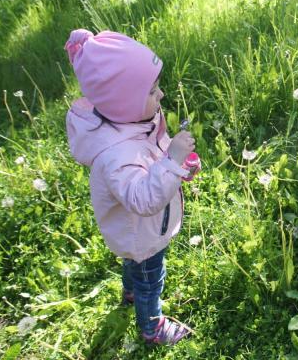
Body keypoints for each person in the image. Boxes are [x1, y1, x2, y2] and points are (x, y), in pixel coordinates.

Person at [64, 28, 199, 345]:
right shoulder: (116, 156)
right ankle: (151, 328)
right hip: (143, 231)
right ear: (124, 102)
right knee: (151, 279)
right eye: (153, 91)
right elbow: (143, 199)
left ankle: (129, 291)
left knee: (136, 268)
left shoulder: (133, 118)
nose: (161, 95)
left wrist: (177, 163)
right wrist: (172, 161)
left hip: (139, 230)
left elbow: (154, 152)